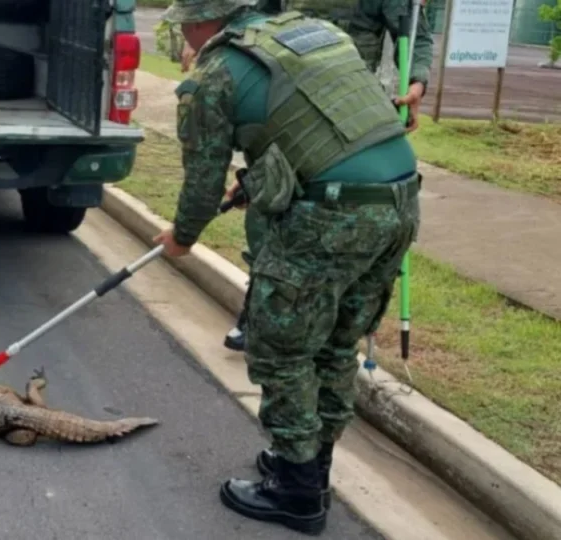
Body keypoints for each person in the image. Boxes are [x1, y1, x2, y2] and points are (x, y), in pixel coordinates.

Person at [152, 0, 421, 534]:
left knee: (282, 349)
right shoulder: (309, 33)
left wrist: (181, 239)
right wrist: (259, 177)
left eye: (183, 24)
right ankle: (310, 467)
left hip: (333, 215)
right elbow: (320, 122)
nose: (182, 35)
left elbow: (202, 186)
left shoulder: (214, 75)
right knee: (336, 344)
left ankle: (297, 493)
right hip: (400, 203)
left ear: (201, 23)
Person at [208, 0, 432, 352]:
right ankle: (259, 311)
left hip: (347, 116)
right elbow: (256, 19)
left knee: (331, 221)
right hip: (286, 108)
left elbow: (415, 35)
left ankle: (327, 327)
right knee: (264, 211)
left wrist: (417, 83)